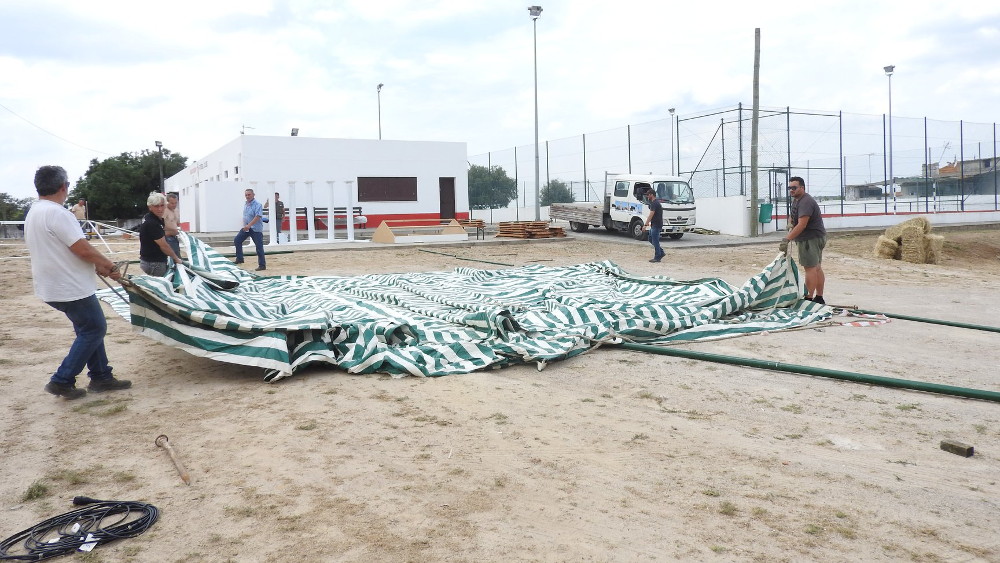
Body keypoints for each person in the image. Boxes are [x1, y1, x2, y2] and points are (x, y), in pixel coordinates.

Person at [25, 165, 131, 400]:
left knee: (88, 329)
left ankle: (101, 376)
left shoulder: (35, 211)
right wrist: (109, 265)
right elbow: (81, 247)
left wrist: (96, 264)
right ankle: (62, 380)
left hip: (53, 286)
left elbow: (65, 249)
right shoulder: (58, 213)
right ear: (64, 187)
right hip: (70, 287)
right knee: (95, 328)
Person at [780, 176, 827, 304]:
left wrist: (787, 239)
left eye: (794, 188)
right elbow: (794, 215)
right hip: (816, 237)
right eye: (789, 188)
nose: (791, 190)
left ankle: (809, 299)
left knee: (810, 268)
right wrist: (790, 222)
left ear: (802, 187)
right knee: (816, 267)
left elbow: (802, 224)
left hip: (810, 239)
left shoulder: (806, 201)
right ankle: (819, 297)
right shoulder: (797, 200)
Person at [138, 192, 184, 276]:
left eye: (162, 205)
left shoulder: (152, 218)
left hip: (149, 260)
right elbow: (164, 246)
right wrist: (176, 258)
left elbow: (160, 232)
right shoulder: (152, 223)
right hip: (154, 263)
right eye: (156, 206)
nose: (160, 209)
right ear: (150, 207)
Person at [234, 188, 266, 271]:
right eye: (246, 195)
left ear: (253, 195)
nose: (247, 196)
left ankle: (262, 265)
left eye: (249, 194)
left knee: (259, 247)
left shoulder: (258, 204)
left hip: (255, 229)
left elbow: (258, 216)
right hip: (247, 228)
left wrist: (249, 225)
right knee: (237, 240)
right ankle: (240, 258)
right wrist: (245, 225)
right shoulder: (246, 204)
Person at [643, 188, 664, 263]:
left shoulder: (654, 203)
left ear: (652, 195)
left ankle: (657, 256)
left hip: (656, 224)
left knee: (655, 240)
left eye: (648, 195)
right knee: (651, 238)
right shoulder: (655, 203)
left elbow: (651, 214)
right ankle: (661, 252)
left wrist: (645, 224)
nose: (647, 197)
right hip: (655, 224)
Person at [163, 192, 181, 258]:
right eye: (172, 203)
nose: (174, 205)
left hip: (175, 237)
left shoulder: (176, 210)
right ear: (167, 202)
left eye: (176, 203)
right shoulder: (164, 211)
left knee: (177, 255)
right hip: (167, 237)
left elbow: (177, 223)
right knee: (173, 257)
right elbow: (160, 224)